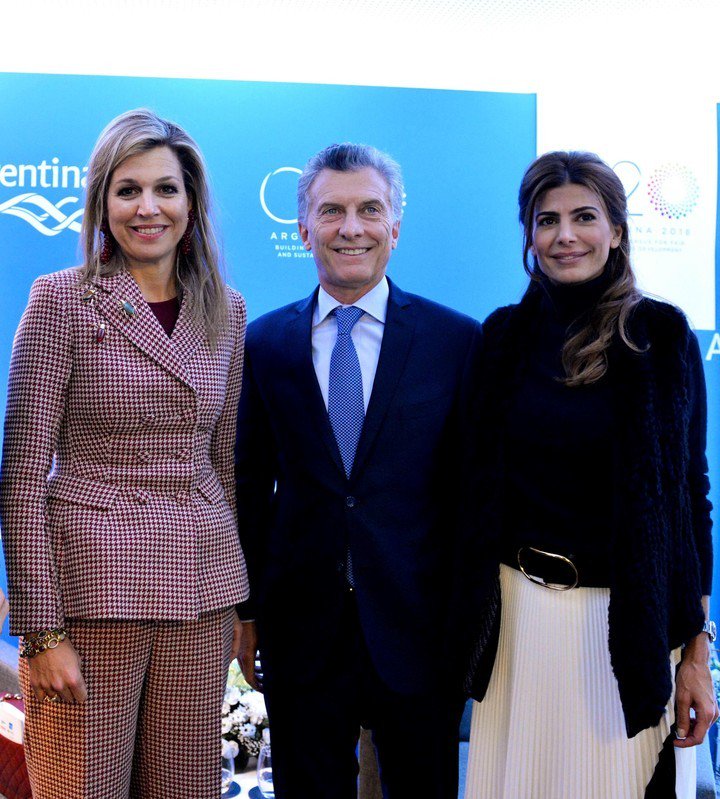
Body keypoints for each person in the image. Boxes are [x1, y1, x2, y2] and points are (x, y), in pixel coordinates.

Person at [0, 108, 249, 799]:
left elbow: (223, 461)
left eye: (166, 189)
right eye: (128, 190)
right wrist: (42, 632)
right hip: (93, 596)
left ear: (191, 202)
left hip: (201, 591)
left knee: (184, 789)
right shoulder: (60, 300)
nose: (148, 208)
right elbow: (22, 478)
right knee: (83, 787)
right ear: (101, 203)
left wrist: (241, 602)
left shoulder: (226, 309)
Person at [463, 150, 717, 799]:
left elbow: (690, 501)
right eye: (547, 220)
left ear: (617, 230)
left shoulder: (661, 336)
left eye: (584, 216)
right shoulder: (501, 337)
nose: (565, 235)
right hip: (517, 621)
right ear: (529, 236)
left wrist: (697, 653)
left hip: (626, 626)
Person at [234, 142, 483, 798]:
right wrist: (247, 611)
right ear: (303, 228)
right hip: (301, 632)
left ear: (395, 227)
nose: (351, 228)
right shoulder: (264, 343)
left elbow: (472, 495)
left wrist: (470, 622)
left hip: (420, 631)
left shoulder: (456, 341)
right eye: (332, 211)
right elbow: (248, 486)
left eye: (370, 209)